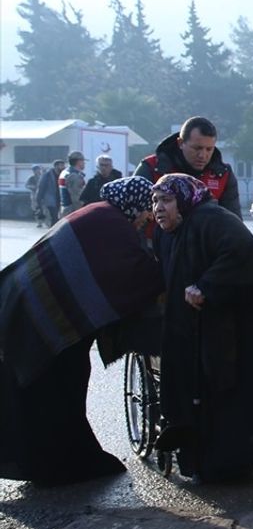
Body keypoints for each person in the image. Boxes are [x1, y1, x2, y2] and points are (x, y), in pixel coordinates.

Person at [151, 173, 253, 482]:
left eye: (166, 200)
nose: (158, 208)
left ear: (184, 200)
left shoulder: (211, 218)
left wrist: (206, 286)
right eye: (155, 201)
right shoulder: (168, 232)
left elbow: (241, 250)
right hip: (220, 317)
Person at [0, 176, 163, 485]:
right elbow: (141, 275)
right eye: (146, 209)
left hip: (24, 304)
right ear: (135, 204)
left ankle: (48, 462)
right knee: (57, 387)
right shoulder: (114, 227)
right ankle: (58, 465)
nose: (148, 217)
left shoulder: (99, 213)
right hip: (42, 317)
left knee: (54, 386)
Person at [136, 116, 242, 219]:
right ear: (181, 143)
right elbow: (133, 217)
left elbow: (234, 222)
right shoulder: (151, 168)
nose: (202, 155)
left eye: (209, 149)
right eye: (197, 148)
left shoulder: (223, 174)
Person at [36, 159, 64, 227]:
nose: (63, 167)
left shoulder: (63, 174)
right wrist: (39, 201)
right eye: (61, 165)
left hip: (60, 199)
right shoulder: (47, 175)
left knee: (58, 218)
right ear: (56, 166)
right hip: (51, 200)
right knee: (54, 218)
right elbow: (41, 187)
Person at [59, 151, 87, 218]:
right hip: (71, 211)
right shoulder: (74, 176)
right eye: (83, 161)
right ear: (78, 161)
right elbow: (77, 198)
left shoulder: (65, 172)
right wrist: (82, 213)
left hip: (65, 209)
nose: (84, 163)